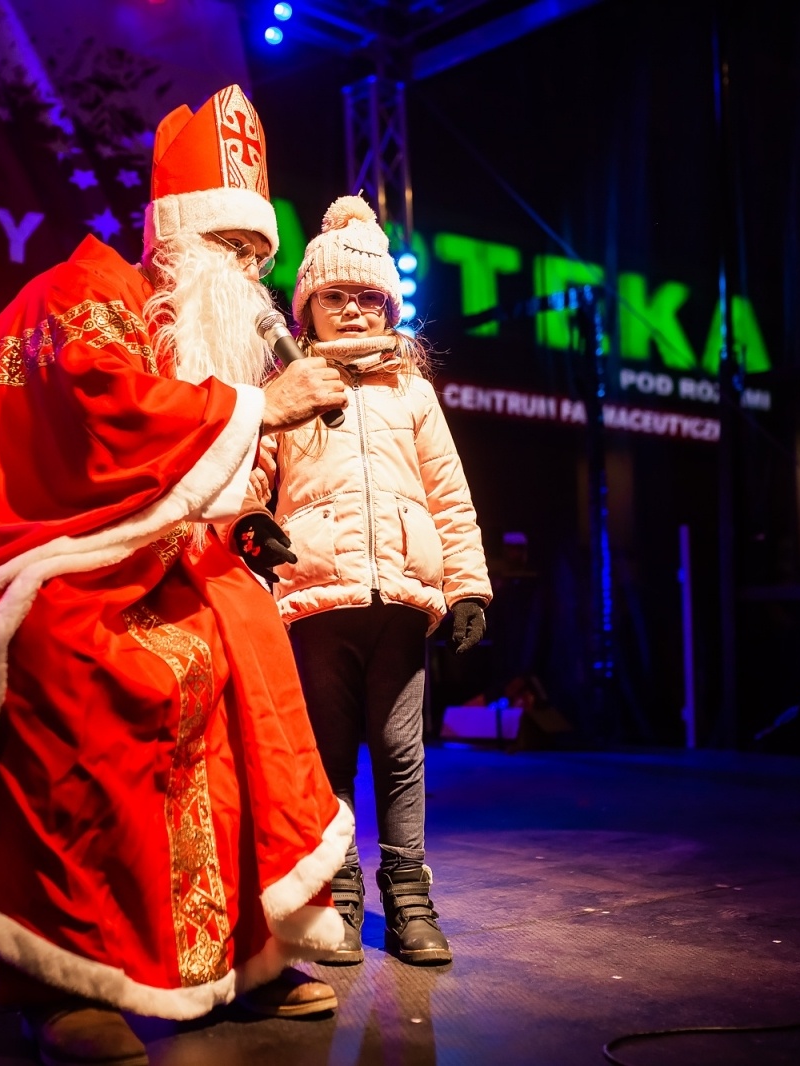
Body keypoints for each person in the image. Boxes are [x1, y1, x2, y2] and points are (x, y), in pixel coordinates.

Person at [0, 86, 353, 1066]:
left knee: (248, 630)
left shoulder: (188, 326)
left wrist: (251, 525)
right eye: (233, 251)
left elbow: (179, 472)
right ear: (178, 239)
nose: (251, 277)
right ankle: (62, 976)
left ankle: (247, 950)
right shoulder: (88, 292)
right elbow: (111, 425)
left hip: (134, 552)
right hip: (29, 548)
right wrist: (259, 407)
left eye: (260, 254)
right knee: (73, 654)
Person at [247, 195, 490, 967]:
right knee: (326, 756)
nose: (352, 311)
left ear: (388, 304)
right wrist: (248, 528)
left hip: (401, 606)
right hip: (317, 600)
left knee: (401, 750)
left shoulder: (410, 392)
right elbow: (250, 479)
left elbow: (449, 495)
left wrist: (468, 586)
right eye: (334, 297)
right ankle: (340, 897)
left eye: (368, 298)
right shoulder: (288, 387)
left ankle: (410, 901)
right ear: (308, 307)